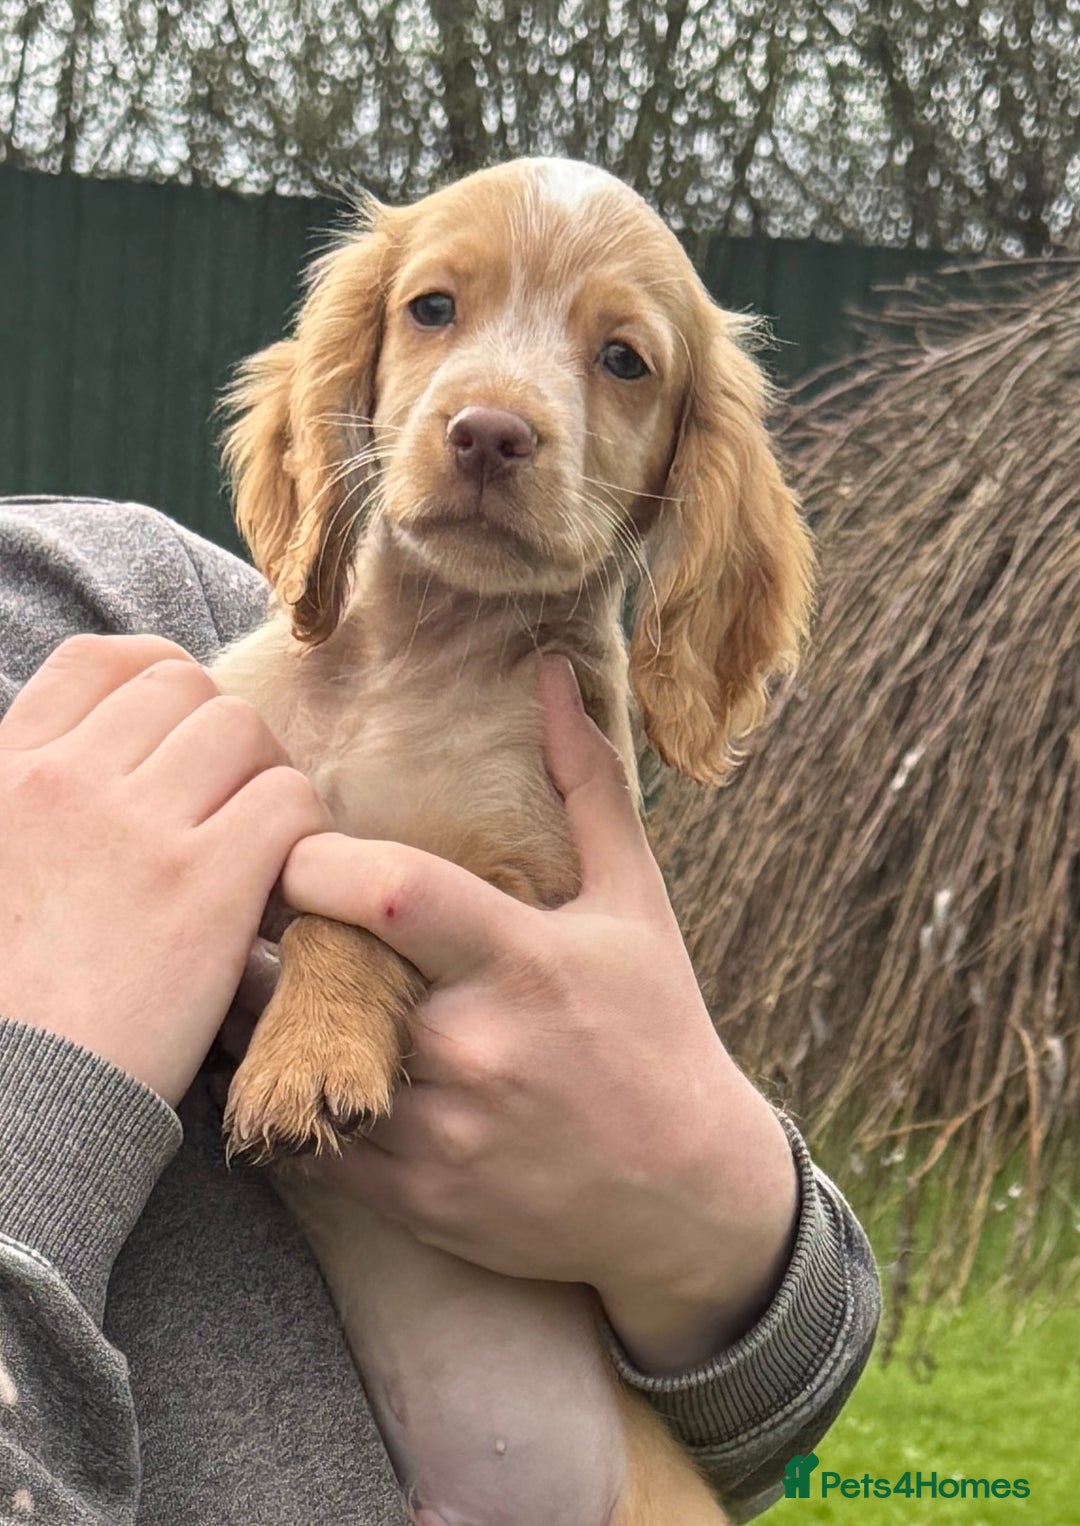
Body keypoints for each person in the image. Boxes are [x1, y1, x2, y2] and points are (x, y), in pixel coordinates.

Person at [0, 496, 880, 1524]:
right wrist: (42, 1098)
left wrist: (713, 1204)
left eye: (623, 364)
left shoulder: (121, 595)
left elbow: (769, 1413)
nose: (492, 414)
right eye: (429, 318)